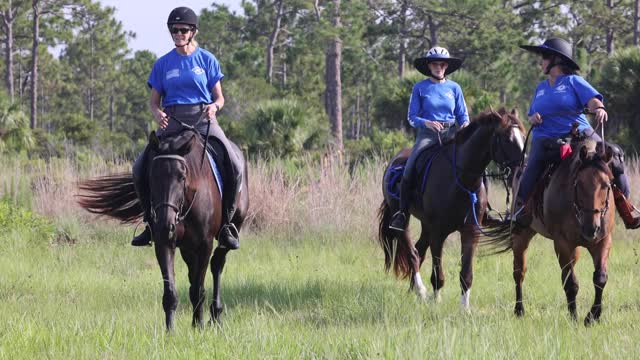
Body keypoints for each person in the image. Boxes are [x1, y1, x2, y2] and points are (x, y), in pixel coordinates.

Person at [131, 6, 244, 248]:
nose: (178, 34)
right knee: (139, 167)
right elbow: (153, 102)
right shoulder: (162, 64)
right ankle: (149, 223)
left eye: (183, 30)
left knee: (234, 164)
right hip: (172, 122)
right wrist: (157, 113)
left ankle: (225, 225)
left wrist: (215, 107)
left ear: (193, 32)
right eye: (174, 30)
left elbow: (220, 98)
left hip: (203, 120)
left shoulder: (207, 60)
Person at [515, 37, 639, 229]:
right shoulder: (540, 87)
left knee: (613, 154)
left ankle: (626, 207)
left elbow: (593, 101)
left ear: (557, 60)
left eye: (545, 57)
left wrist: (599, 108)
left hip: (580, 133)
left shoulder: (574, 81)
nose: (541, 61)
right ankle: (520, 211)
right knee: (531, 167)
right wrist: (533, 118)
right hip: (545, 137)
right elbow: (531, 114)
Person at [389, 47, 470, 231]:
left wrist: (464, 125)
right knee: (410, 166)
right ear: (429, 65)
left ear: (446, 66)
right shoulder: (420, 88)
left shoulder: (455, 88)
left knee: (473, 162)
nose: (439, 67)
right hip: (428, 136)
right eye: (435, 63)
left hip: (452, 134)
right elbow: (412, 117)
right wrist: (427, 123)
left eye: (442, 64)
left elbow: (462, 115)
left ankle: (480, 208)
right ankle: (401, 213)